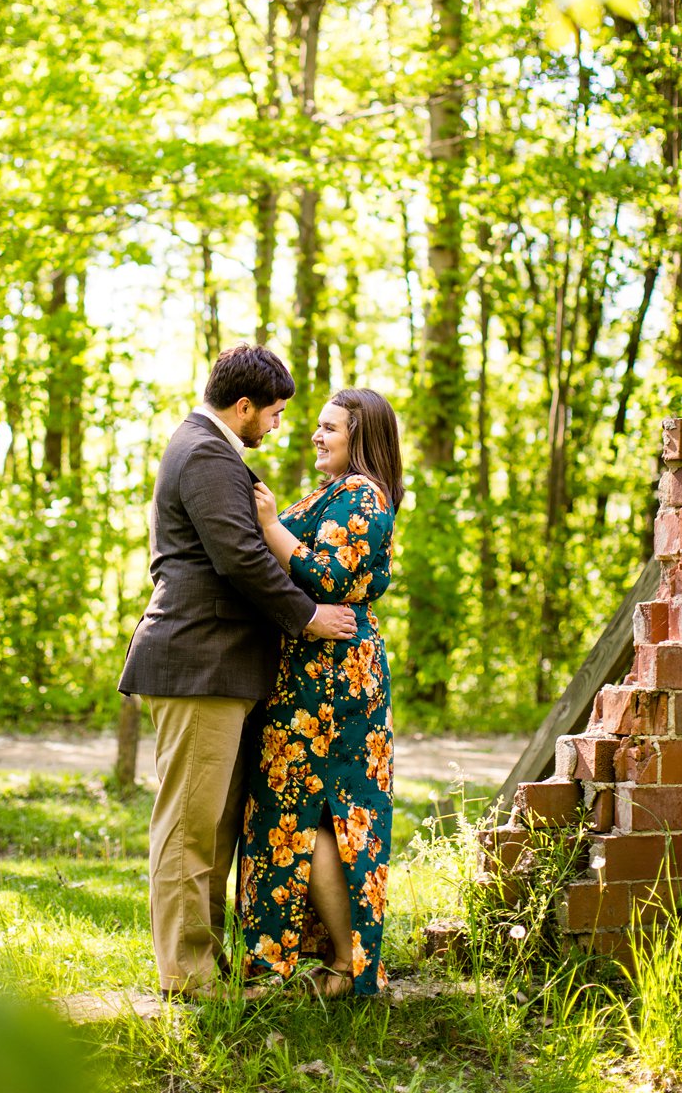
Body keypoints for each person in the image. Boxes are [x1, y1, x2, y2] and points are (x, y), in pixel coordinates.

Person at [117, 345, 356, 999]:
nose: (277, 426)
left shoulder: (214, 453)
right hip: (198, 660)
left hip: (221, 667)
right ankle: (188, 977)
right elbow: (239, 557)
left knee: (214, 828)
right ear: (243, 405)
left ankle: (204, 964)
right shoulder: (204, 453)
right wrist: (308, 615)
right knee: (188, 829)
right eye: (274, 413)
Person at [237, 387, 403, 997]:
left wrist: (272, 524)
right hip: (310, 672)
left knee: (324, 816)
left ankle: (345, 966)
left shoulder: (362, 495)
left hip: (335, 682)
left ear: (361, 437)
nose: (316, 434)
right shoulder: (334, 492)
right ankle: (322, 964)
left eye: (330, 427)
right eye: (317, 425)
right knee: (302, 815)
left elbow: (328, 575)